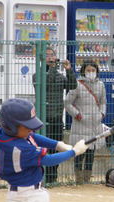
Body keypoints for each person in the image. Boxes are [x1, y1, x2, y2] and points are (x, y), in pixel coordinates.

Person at [32, 47, 77, 184]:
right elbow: (48, 81)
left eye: (52, 55)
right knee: (42, 149)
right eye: (47, 55)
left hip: (57, 117)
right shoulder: (37, 75)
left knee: (56, 147)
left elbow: (72, 85)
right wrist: (52, 67)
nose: (51, 58)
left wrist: (69, 70)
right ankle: (41, 176)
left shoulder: (59, 75)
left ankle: (52, 177)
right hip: (42, 118)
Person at [64, 61, 106, 184]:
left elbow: (103, 102)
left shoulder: (101, 85)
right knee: (79, 152)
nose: (91, 73)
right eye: (88, 70)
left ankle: (87, 179)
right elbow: (67, 102)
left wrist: (102, 114)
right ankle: (79, 179)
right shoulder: (77, 84)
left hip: (95, 124)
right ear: (83, 71)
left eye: (93, 70)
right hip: (81, 124)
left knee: (91, 153)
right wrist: (77, 114)